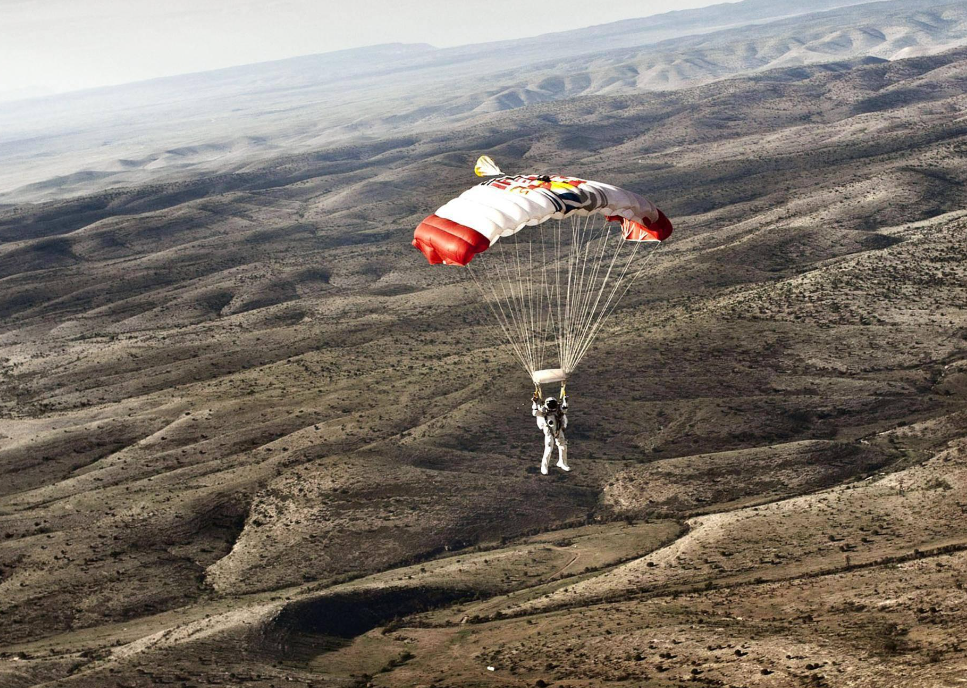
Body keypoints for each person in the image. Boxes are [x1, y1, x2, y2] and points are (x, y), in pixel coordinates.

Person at [532, 391, 570, 475]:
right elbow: (535, 412)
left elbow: (564, 410)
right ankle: (544, 466)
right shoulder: (543, 411)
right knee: (549, 449)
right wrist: (535, 403)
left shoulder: (558, 410)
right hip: (549, 432)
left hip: (558, 430)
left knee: (563, 446)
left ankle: (562, 462)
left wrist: (565, 401)